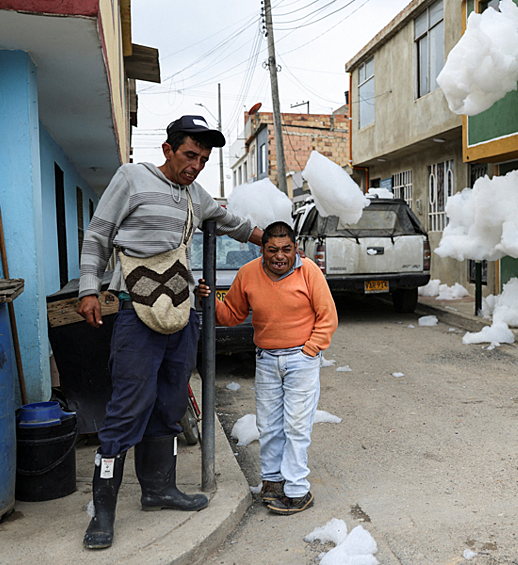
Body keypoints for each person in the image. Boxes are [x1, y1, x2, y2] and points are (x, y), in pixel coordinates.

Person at [75, 115, 264, 550]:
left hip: (181, 314)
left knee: (172, 400)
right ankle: (103, 510)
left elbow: (231, 220)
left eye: (203, 158)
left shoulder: (197, 195)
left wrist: (269, 240)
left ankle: (158, 490)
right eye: (189, 155)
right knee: (127, 407)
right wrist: (89, 289)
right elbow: (98, 235)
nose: (196, 165)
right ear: (167, 150)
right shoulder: (132, 179)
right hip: (134, 312)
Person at [215, 221, 338, 515]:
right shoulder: (247, 273)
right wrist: (207, 300)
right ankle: (272, 482)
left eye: (286, 249)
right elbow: (232, 315)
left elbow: (328, 316)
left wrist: (310, 350)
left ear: (295, 249)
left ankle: (297, 490)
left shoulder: (309, 271)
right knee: (269, 427)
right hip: (267, 359)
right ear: (262, 249)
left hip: (302, 359)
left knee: (296, 426)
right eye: (272, 250)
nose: (279, 256)